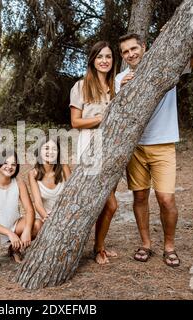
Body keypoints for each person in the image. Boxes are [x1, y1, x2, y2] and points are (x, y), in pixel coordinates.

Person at [115, 33, 193, 267]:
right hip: (135, 147)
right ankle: (146, 244)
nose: (131, 54)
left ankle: (169, 246)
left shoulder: (167, 67)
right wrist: (125, 91)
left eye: (134, 48)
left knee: (166, 199)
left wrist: (184, 39)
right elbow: (117, 113)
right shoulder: (120, 79)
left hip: (163, 144)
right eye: (126, 52)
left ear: (144, 47)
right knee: (139, 197)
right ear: (122, 56)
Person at [69, 41, 119, 265]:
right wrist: (100, 119)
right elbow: (75, 122)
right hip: (90, 148)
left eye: (108, 56)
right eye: (100, 57)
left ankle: (99, 246)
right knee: (109, 204)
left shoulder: (117, 85)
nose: (104, 61)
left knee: (104, 203)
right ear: (92, 60)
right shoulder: (81, 86)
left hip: (115, 149)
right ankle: (90, 248)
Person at [0, 150, 43, 270]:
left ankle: (14, 249)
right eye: (5, 163)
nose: (9, 167)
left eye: (13, 164)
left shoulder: (19, 183)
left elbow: (30, 210)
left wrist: (26, 230)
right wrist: (9, 233)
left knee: (37, 225)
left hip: (15, 224)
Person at [28, 136, 71, 222]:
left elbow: (72, 194)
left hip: (65, 215)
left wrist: (66, 214)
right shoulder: (33, 174)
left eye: (54, 149)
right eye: (46, 148)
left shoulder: (64, 167)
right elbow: (38, 203)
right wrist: (48, 218)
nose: (50, 152)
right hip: (44, 217)